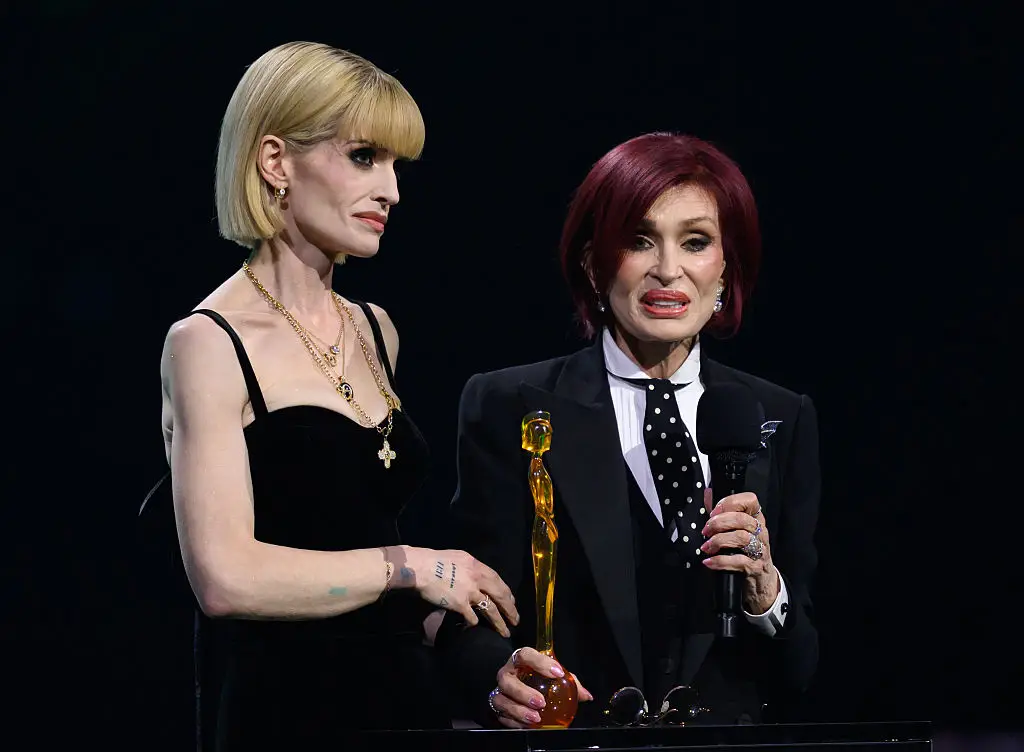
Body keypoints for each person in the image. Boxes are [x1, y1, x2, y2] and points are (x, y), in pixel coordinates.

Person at [155, 41, 517, 747]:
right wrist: (416, 566)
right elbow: (226, 577)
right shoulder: (206, 343)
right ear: (274, 162)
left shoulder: (376, 331)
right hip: (286, 718)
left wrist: (487, 665)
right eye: (363, 158)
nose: (392, 191)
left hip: (405, 710)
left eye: (395, 166)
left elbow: (364, 554)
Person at [436, 132, 820, 728]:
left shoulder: (780, 416)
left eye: (696, 242)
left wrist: (768, 595)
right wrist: (498, 675)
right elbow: (472, 614)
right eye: (639, 241)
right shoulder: (506, 405)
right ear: (593, 262)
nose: (668, 270)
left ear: (726, 270)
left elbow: (807, 661)